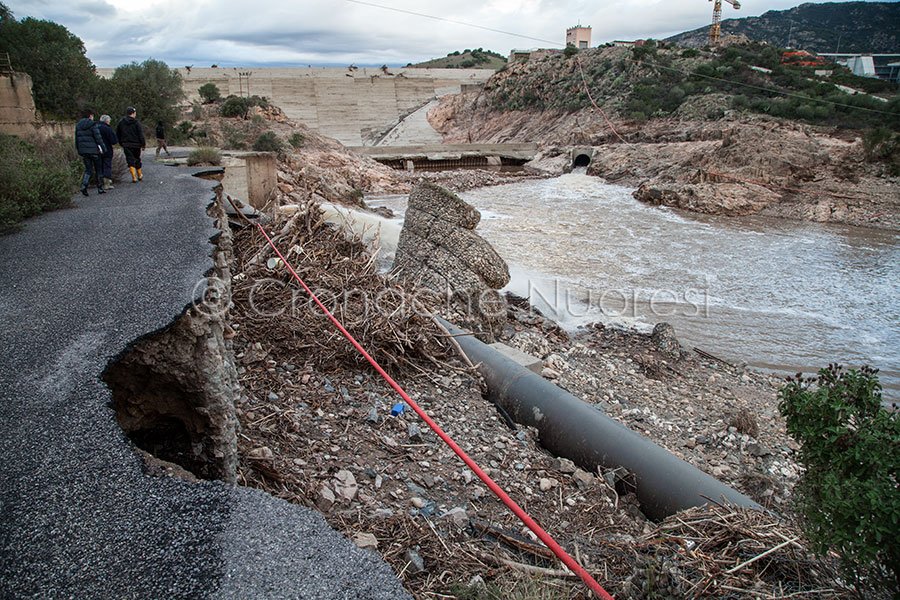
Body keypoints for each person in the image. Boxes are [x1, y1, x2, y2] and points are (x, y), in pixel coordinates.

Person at [74, 109, 106, 196]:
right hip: (94, 151)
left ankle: (84, 186)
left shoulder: (78, 126)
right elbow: (98, 138)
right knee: (98, 169)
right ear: (90, 116)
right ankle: (100, 187)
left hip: (84, 151)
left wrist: (79, 150)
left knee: (88, 170)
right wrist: (103, 148)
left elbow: (76, 139)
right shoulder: (93, 125)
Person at [116, 106, 146, 183]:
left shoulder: (121, 122)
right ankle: (139, 174)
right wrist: (143, 144)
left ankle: (134, 177)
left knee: (129, 160)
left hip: (126, 144)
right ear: (133, 113)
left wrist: (121, 143)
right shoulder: (136, 123)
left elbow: (118, 134)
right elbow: (140, 135)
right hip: (136, 145)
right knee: (137, 159)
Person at [98, 115, 118, 191]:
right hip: (107, 150)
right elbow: (114, 141)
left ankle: (99, 182)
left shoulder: (95, 127)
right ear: (107, 121)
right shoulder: (107, 129)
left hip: (96, 150)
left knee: (99, 166)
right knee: (107, 166)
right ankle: (107, 183)